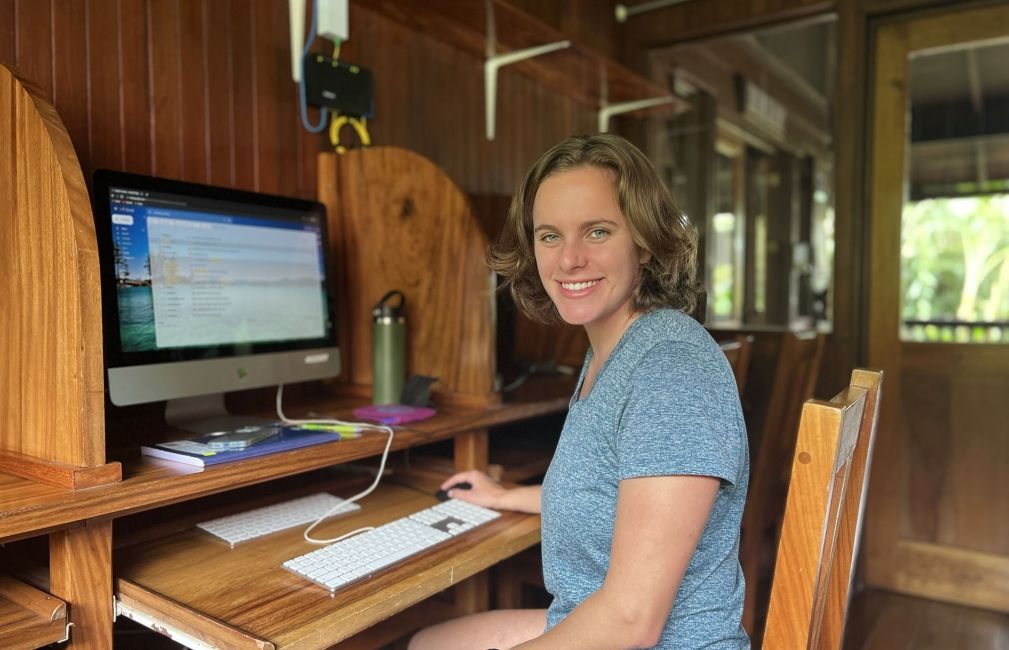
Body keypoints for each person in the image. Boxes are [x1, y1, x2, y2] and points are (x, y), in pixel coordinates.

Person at [409, 134, 749, 650]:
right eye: (549, 236)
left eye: (596, 231)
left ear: (644, 241)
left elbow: (632, 622)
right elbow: (618, 497)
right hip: (594, 621)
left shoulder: (670, 367)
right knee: (427, 643)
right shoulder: (613, 349)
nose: (568, 260)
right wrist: (507, 496)